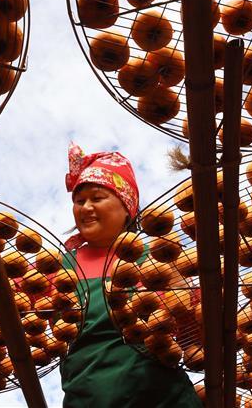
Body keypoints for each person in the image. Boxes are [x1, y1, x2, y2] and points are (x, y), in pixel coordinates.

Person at [59, 142, 201, 408]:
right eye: (79, 201)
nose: (86, 207)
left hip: (165, 398)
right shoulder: (62, 266)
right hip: (87, 397)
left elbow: (190, 325)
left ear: (127, 207)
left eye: (97, 198)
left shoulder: (156, 256)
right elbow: (1, 302)